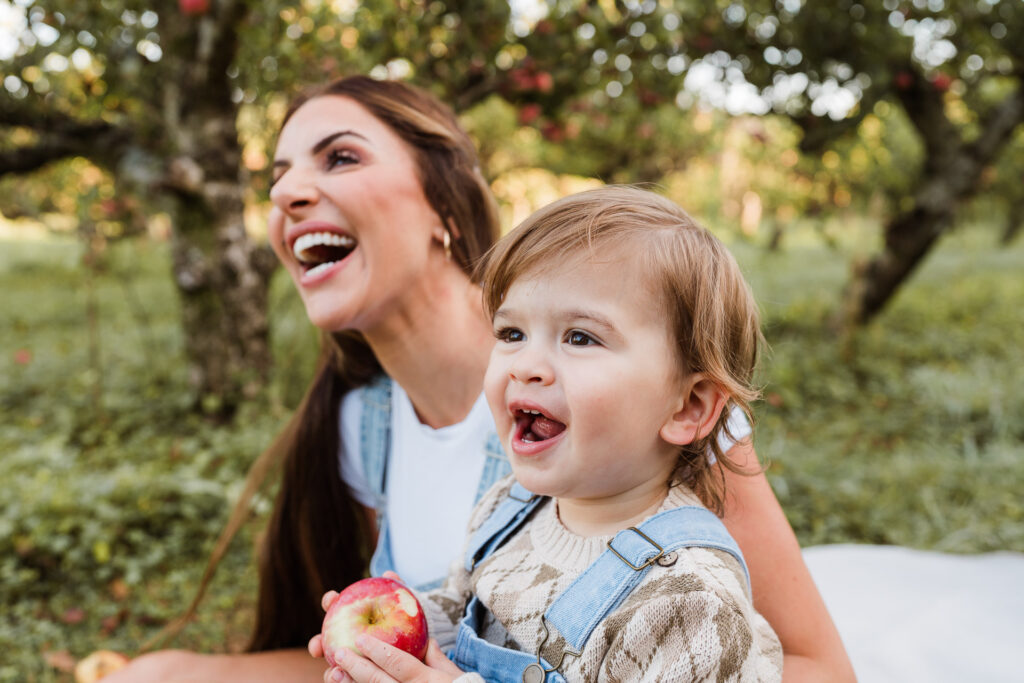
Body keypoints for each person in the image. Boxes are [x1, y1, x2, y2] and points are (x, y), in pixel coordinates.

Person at [107, 76, 853, 682]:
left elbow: (820, 667)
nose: (287, 194)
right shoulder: (389, 439)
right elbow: (465, 619)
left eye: (338, 158)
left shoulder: (657, 427)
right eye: (277, 176)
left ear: (444, 201)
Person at [313, 186, 784, 682]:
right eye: (511, 334)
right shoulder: (509, 507)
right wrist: (399, 631)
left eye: (580, 337)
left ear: (687, 407)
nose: (527, 365)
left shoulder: (689, 602)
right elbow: (469, 609)